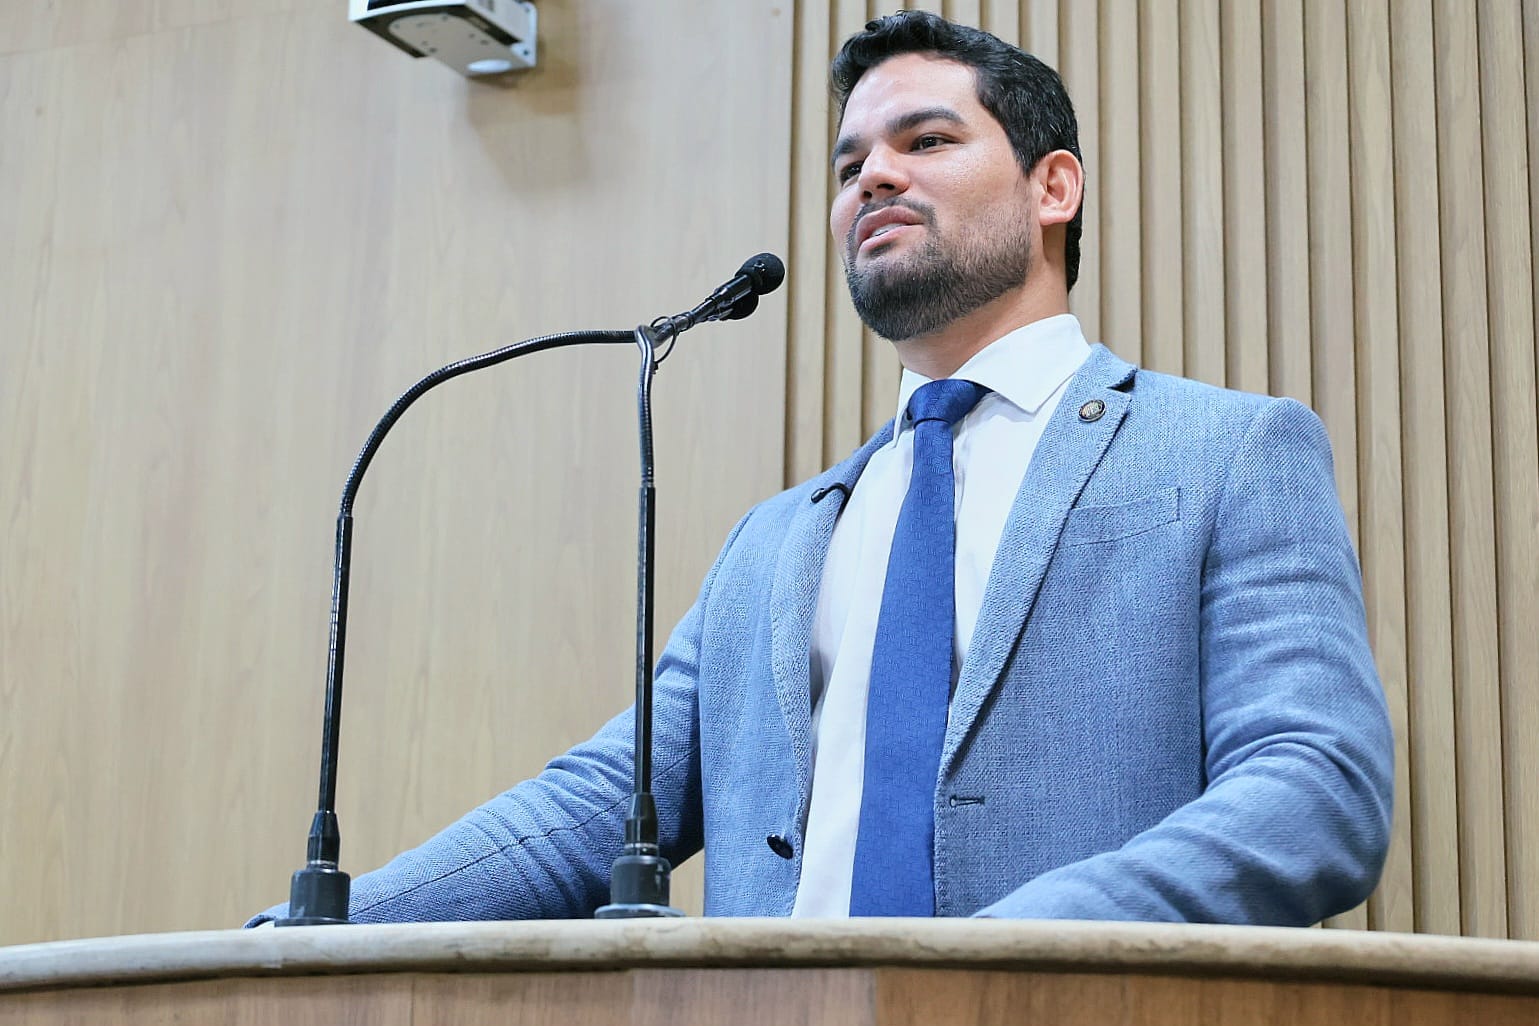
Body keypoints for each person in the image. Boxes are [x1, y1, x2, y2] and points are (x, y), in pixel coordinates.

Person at [251, 12, 1392, 926]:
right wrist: (304, 933)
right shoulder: (776, 542)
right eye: (850, 164)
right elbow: (593, 808)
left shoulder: (1228, 452)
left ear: (1054, 188)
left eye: (925, 142)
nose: (872, 178)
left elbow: (1314, 788)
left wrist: (1010, 953)